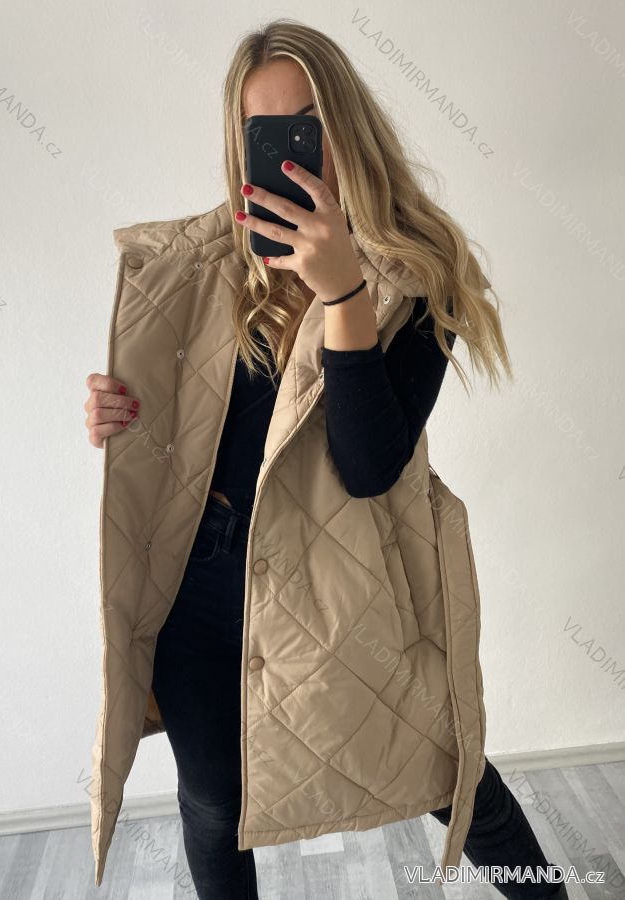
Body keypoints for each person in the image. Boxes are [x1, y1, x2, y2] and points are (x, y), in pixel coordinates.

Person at [84, 19, 568, 900]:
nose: (289, 153)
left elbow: (369, 463)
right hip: (202, 579)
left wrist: (344, 292)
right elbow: (196, 433)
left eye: (305, 126)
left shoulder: (418, 268)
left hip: (345, 573)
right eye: (263, 133)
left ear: (345, 122)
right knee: (211, 807)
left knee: (447, 769)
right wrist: (121, 418)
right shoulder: (207, 265)